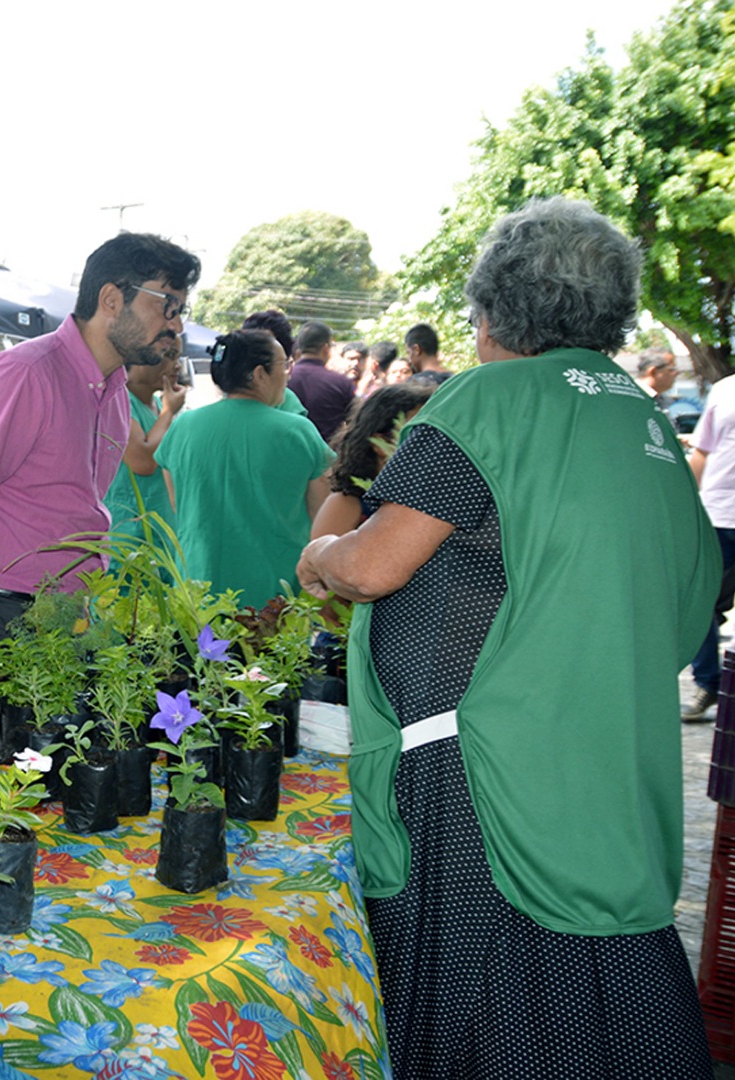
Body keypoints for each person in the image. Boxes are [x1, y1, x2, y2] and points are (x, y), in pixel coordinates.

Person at [297, 197, 719, 1077]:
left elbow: (377, 566)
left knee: (483, 1011)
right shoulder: (640, 419)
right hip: (601, 767)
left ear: (492, 315)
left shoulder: (485, 399)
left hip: (483, 780)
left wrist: (324, 551)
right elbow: (688, 608)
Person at [0, 232, 200, 664]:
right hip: (0, 615)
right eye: (167, 306)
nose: (176, 325)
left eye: (181, 310)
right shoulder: (25, 372)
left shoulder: (113, 392)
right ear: (112, 299)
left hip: (68, 614)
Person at [155, 329, 332, 604]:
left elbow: (179, 504)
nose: (287, 374)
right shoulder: (298, 431)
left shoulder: (182, 427)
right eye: (284, 365)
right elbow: (324, 517)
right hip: (276, 594)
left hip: (197, 587)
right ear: (260, 374)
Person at [310, 383, 433, 539]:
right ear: (379, 444)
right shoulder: (347, 504)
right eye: (416, 432)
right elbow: (319, 561)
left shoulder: (429, 495)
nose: (430, 440)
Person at [683, 369, 735, 721]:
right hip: (719, 513)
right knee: (702, 603)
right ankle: (708, 684)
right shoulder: (725, 390)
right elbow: (703, 450)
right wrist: (686, 502)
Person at [103, 351, 183, 541]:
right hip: (130, 534)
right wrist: (169, 411)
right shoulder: (118, 401)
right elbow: (144, 462)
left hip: (161, 529)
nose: (177, 365)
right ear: (138, 360)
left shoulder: (157, 404)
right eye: (169, 356)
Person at [287, 318, 355, 440]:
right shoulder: (340, 382)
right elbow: (355, 421)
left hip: (287, 450)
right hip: (328, 452)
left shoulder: (282, 378)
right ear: (326, 348)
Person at [403, 322, 450, 386]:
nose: (409, 360)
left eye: (408, 352)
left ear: (416, 350)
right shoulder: (454, 379)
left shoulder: (414, 384)